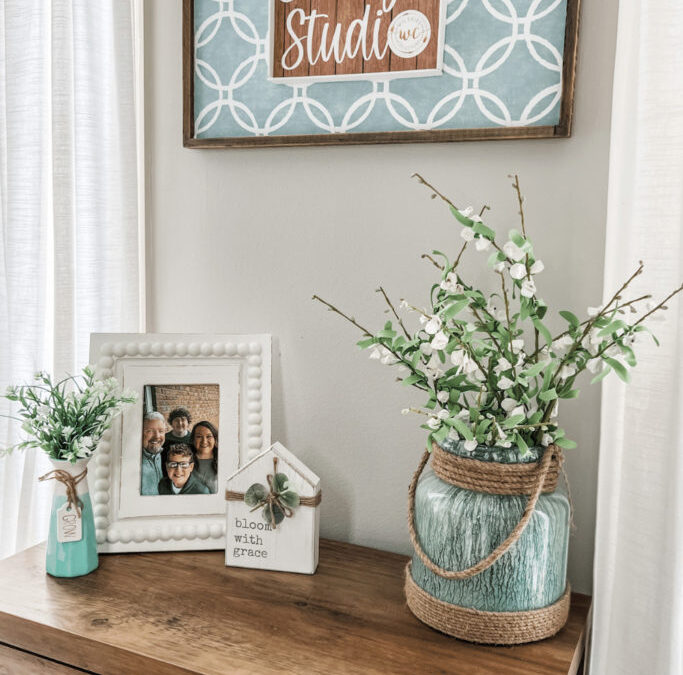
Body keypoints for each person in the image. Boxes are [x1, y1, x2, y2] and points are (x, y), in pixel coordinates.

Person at [141, 411, 166, 495]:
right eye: (150, 431)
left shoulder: (164, 455)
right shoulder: (132, 462)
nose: (157, 436)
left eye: (161, 431)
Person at [190, 421, 218, 494]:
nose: (204, 441)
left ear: (215, 439)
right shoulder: (185, 461)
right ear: (193, 440)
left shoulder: (223, 460)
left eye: (209, 436)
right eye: (199, 436)